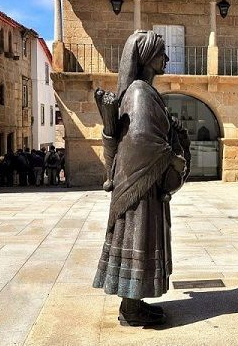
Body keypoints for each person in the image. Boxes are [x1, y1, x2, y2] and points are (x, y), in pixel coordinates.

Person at [92, 31, 190, 327]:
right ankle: (131, 309)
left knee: (139, 241)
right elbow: (140, 139)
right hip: (141, 184)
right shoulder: (140, 92)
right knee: (140, 238)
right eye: (162, 53)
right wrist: (172, 156)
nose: (167, 59)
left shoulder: (142, 91)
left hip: (142, 181)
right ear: (148, 58)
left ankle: (133, 303)